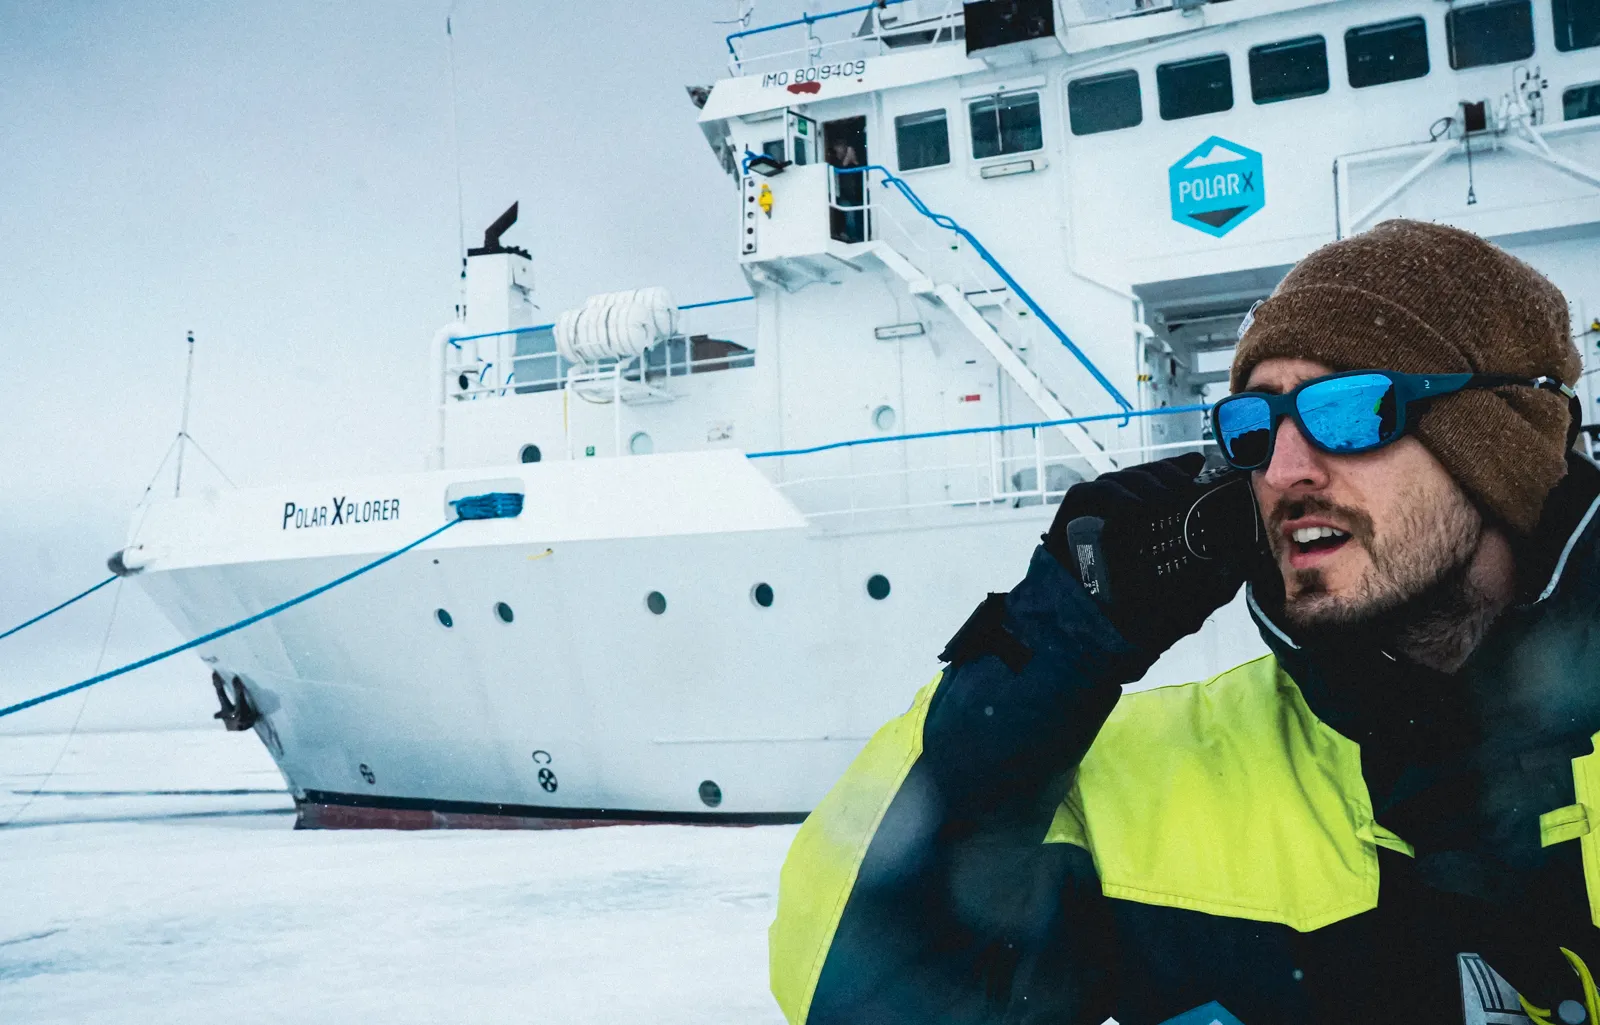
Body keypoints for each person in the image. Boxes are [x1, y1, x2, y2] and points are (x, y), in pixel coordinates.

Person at [768, 219, 1600, 1024]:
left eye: (1348, 410)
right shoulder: (1163, 782)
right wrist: (1057, 638)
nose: (1282, 469)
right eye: (1253, 424)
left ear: (1500, 444)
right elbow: (846, 984)